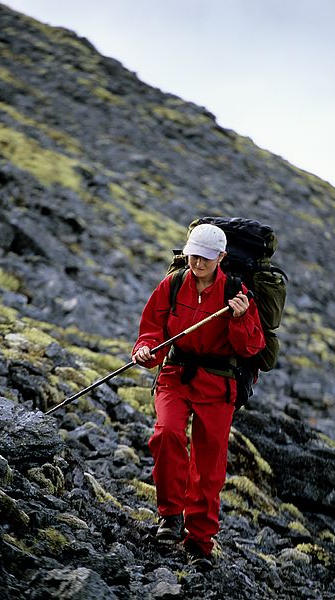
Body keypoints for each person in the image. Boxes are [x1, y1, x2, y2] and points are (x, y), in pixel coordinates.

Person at [132, 223, 265, 569]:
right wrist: (146, 349)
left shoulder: (237, 293)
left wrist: (238, 318)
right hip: (175, 375)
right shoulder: (173, 283)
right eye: (193, 254)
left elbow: (252, 346)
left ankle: (199, 541)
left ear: (221, 257)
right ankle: (170, 516)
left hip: (218, 385)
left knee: (209, 465)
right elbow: (152, 326)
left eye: (206, 257)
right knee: (167, 434)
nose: (198, 262)